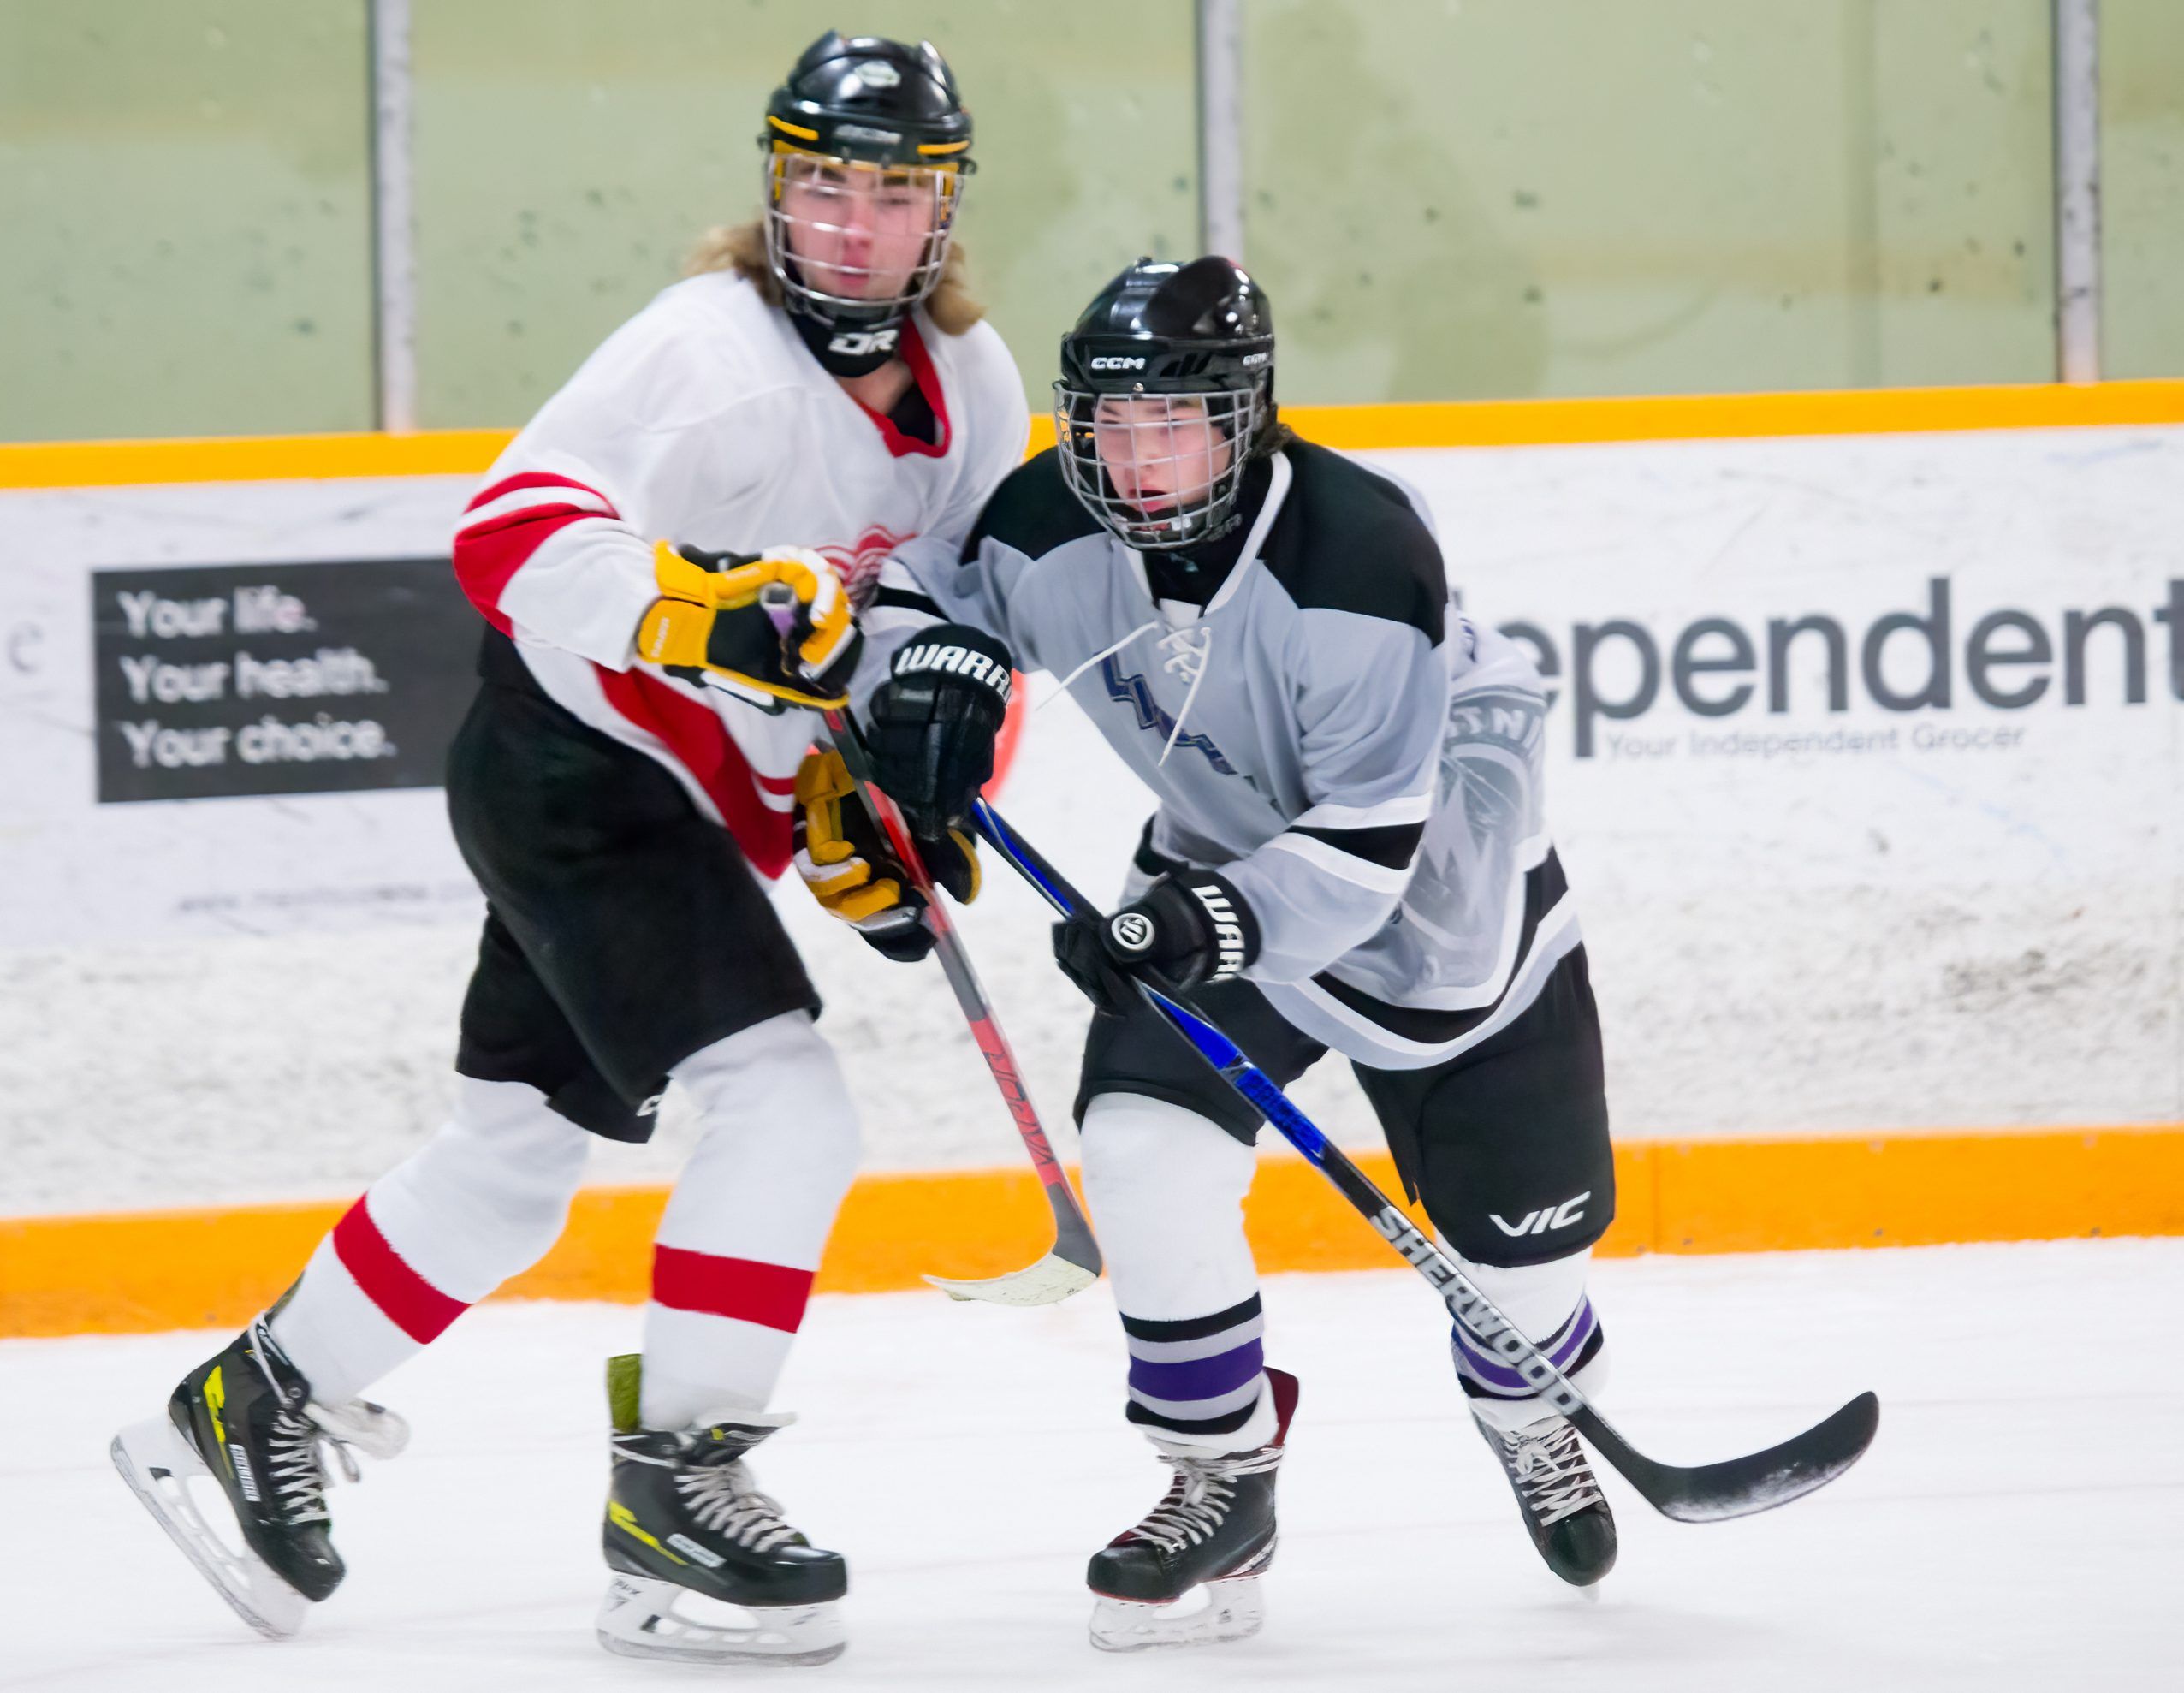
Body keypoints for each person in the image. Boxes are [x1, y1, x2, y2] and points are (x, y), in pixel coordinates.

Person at [110, 32, 1028, 1667]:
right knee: (786, 1103)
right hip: (576, 772)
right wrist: (692, 607)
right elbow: (511, 530)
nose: (852, 221)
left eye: (892, 189)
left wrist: (880, 803)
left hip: (678, 801)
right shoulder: (703, 351)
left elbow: (940, 631)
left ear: (942, 214)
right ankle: (677, 1489)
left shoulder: (976, 396)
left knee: (512, 1157)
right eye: (822, 178)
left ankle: (251, 1399)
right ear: (775, 186)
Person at [834, 256, 1617, 1649]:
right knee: (1142, 1148)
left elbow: (1367, 856)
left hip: (1444, 911)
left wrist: (1193, 924)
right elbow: (909, 599)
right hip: (1214, 870)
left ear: (1246, 416)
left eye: (1173, 425)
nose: (1134, 462)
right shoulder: (1046, 520)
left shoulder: (1361, 562)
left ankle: (1529, 1411)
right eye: (1111, 426)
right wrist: (926, 676)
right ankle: (1223, 1473)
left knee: (1520, 1263)